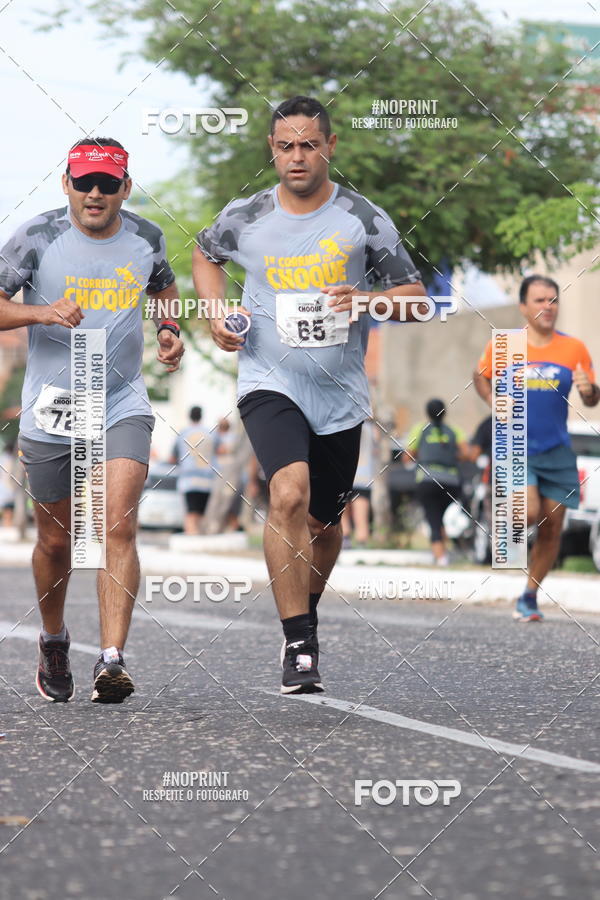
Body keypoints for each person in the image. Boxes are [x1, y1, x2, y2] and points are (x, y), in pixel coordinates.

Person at [193, 95, 427, 693]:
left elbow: (416, 298)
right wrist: (216, 311)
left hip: (340, 392)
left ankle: (307, 610)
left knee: (325, 525)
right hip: (269, 379)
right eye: (284, 146)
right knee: (287, 493)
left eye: (308, 144)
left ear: (330, 146)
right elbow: (204, 252)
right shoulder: (245, 216)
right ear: (271, 151)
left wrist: (368, 300)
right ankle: (298, 641)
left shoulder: (362, 219)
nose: (297, 157)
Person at [0, 137, 183, 702]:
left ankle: (111, 659)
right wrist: (40, 311)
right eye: (85, 182)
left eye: (108, 183)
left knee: (116, 527)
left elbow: (165, 289)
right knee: (57, 541)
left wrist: (171, 331)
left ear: (126, 187)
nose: (96, 193)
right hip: (54, 407)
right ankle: (54, 638)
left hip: (120, 400)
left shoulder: (146, 238)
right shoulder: (36, 236)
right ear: (67, 184)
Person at [474, 274, 599, 621]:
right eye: (540, 300)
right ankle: (499, 516)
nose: (548, 307)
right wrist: (492, 400)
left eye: (553, 300)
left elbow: (590, 398)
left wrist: (589, 389)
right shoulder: (505, 346)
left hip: (557, 449)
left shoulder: (573, 348)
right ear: (523, 306)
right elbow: (479, 376)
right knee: (528, 514)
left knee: (552, 527)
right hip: (516, 444)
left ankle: (529, 595)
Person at [402, 399, 470, 566]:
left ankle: (441, 559)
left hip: (427, 480)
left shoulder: (420, 429)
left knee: (433, 518)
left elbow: (407, 456)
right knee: (441, 518)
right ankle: (444, 553)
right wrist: (449, 457)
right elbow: (467, 453)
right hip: (452, 482)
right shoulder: (454, 430)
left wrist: (424, 455)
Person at [171, 406, 216, 534]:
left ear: (189, 416)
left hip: (188, 480)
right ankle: (199, 541)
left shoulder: (183, 433)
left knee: (191, 514)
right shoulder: (210, 433)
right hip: (207, 480)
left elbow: (173, 456)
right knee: (202, 514)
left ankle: (192, 540)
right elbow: (219, 451)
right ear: (201, 416)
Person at [341, 418, 377, 548]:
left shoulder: (343, 423)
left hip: (345, 475)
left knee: (342, 512)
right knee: (361, 517)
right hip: (364, 477)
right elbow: (376, 450)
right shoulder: (372, 429)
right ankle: (361, 543)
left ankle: (345, 539)